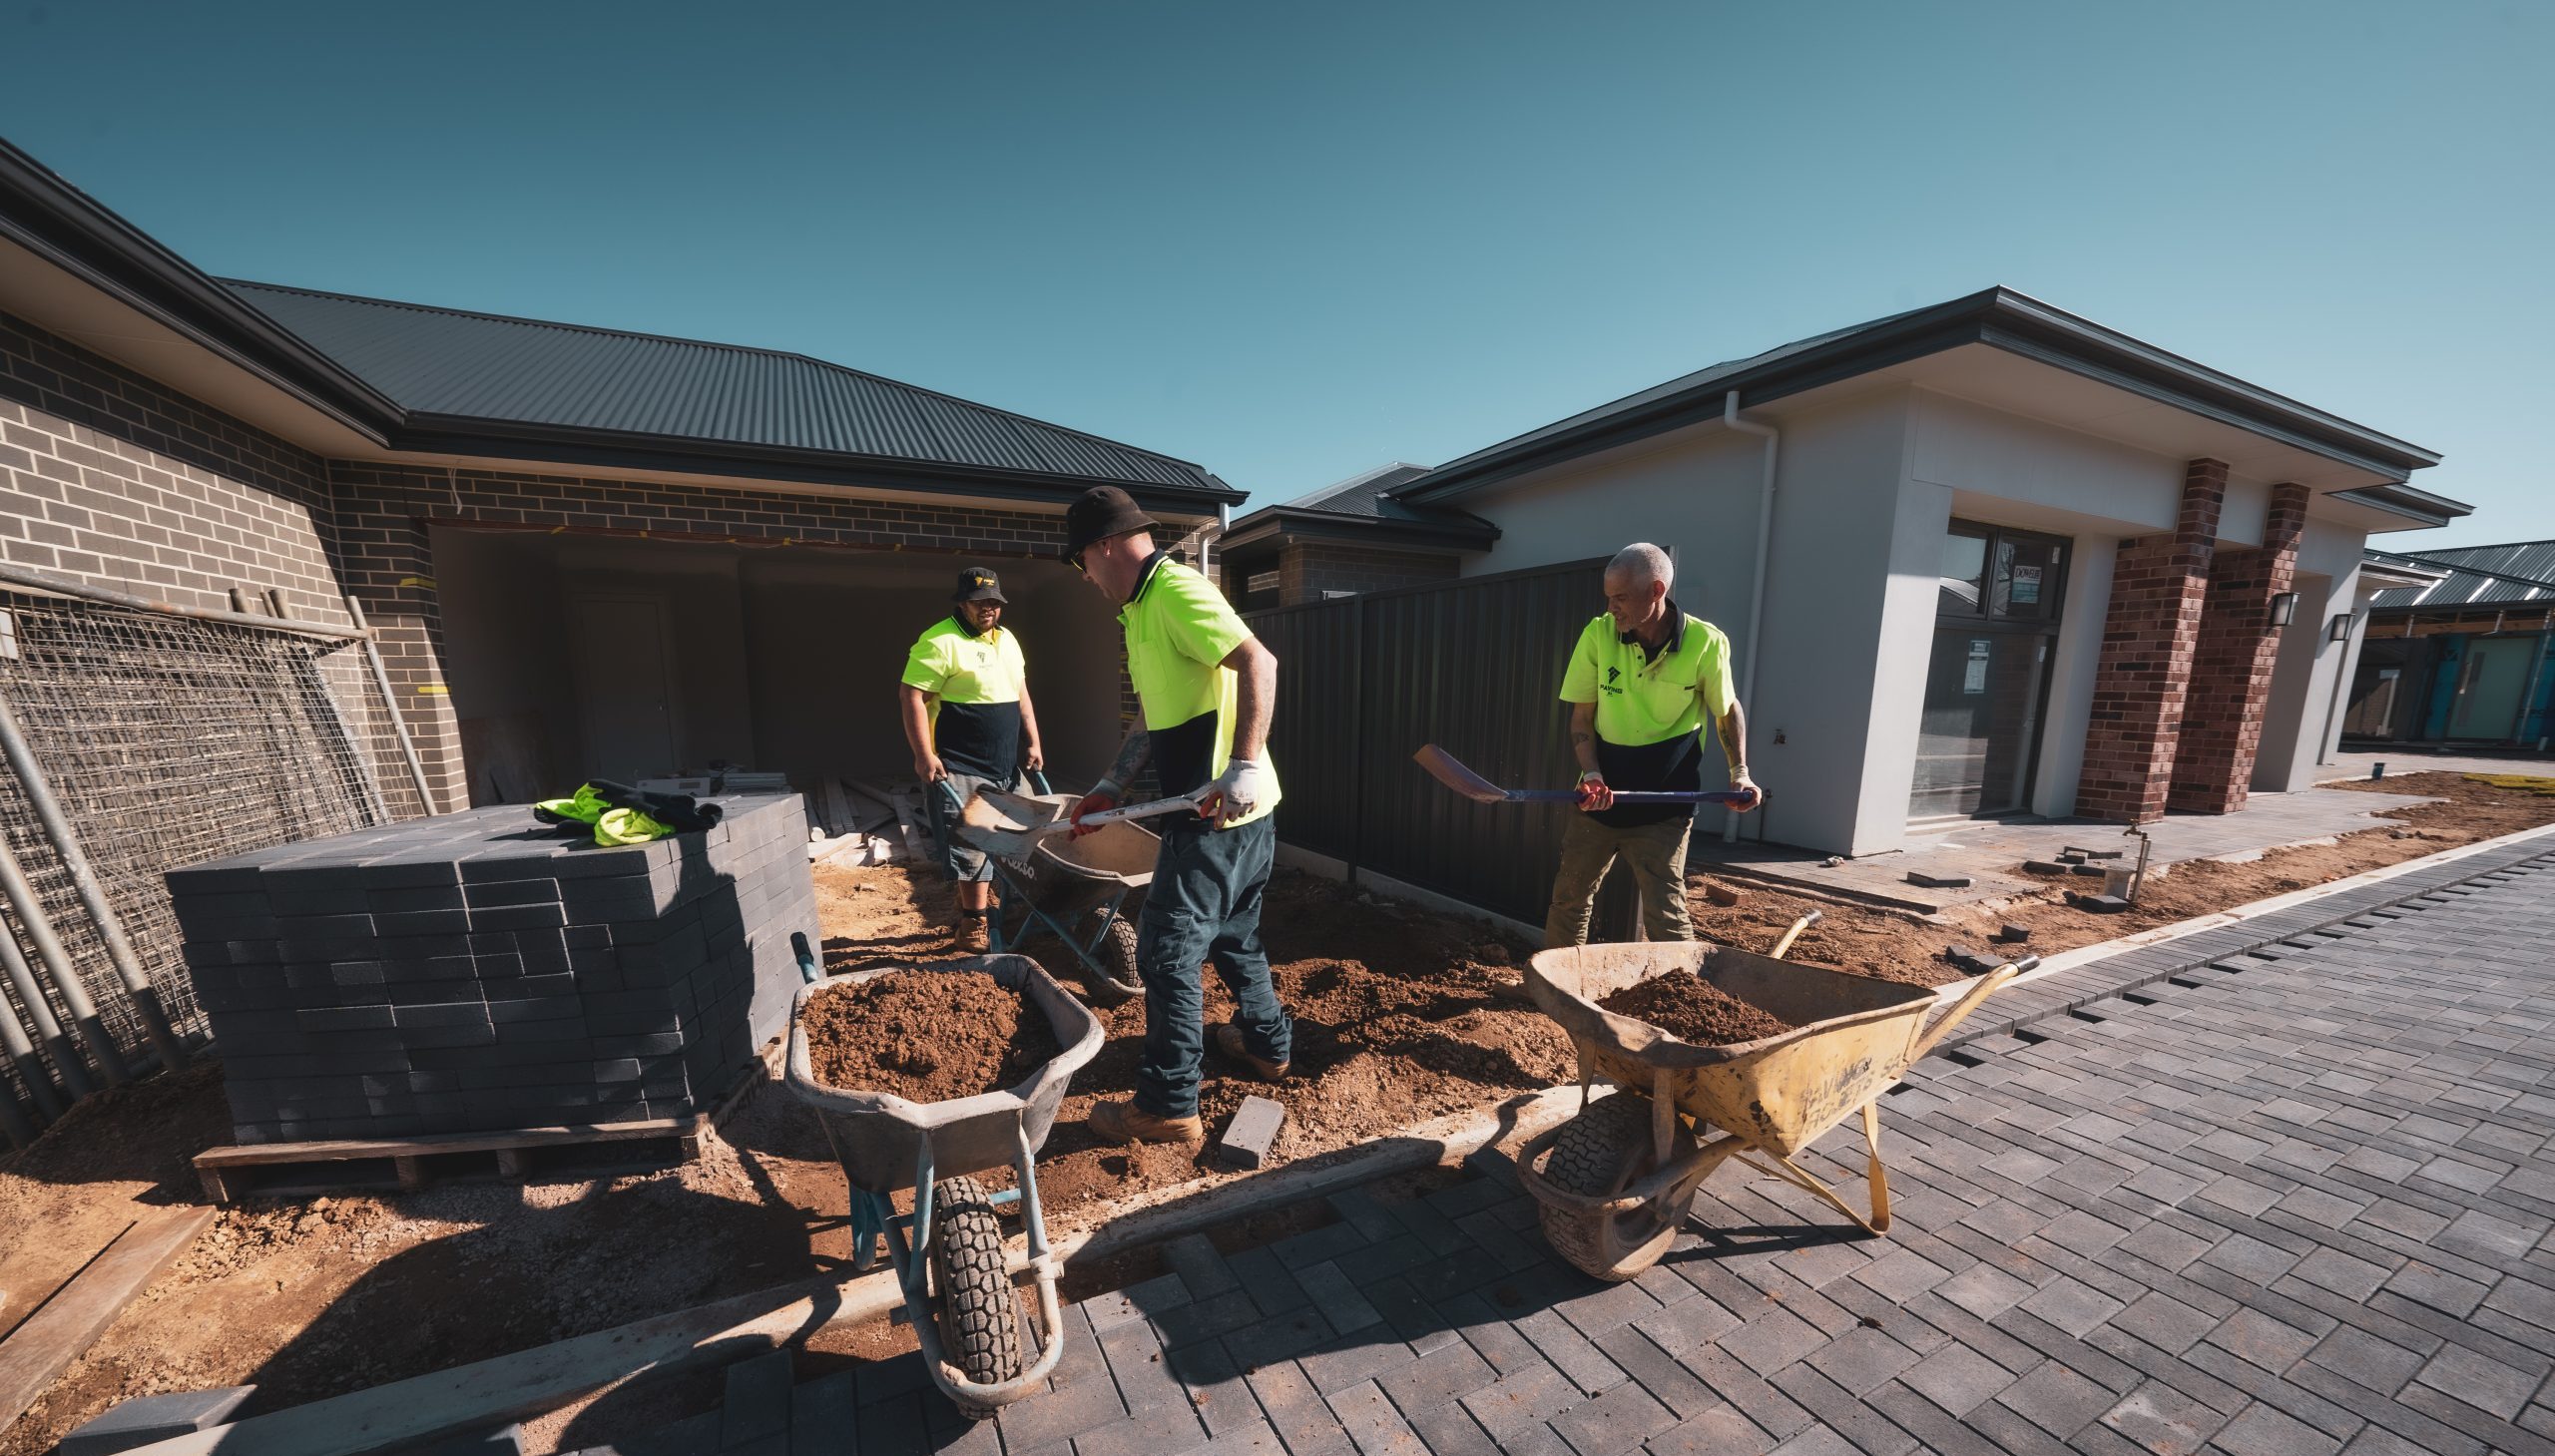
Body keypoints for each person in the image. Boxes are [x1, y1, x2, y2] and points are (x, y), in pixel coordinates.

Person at [1061, 485, 1292, 1145]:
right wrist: (1111, 783)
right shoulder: (1138, 611)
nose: (1084, 576)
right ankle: (1265, 1044)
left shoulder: (1175, 591)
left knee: (1165, 953)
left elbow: (1259, 661)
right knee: (1236, 938)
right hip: (1240, 812)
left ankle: (1166, 1102)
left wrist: (1242, 762)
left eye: (1082, 560)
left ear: (1105, 546)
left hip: (1217, 812)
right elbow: (1155, 715)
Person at [1546, 543, 1762, 947]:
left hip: (1666, 803)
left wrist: (1740, 774)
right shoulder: (1598, 635)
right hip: (1599, 798)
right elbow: (1581, 718)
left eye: (1621, 597)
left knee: (1666, 911)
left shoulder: (1706, 643)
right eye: (1608, 597)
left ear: (1657, 590)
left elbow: (1726, 709)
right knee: (1569, 899)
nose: (1612, 607)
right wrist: (1591, 773)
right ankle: (1557, 990)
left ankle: (1682, 997)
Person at [899, 566, 1043, 952]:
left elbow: (1020, 692)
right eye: (980, 602)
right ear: (962, 602)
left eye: (995, 602)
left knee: (1026, 832)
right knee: (971, 844)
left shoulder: (1008, 639)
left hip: (1005, 762)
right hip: (958, 763)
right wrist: (924, 754)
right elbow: (912, 696)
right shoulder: (938, 640)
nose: (988, 609)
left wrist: (1033, 742)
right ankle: (973, 923)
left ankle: (1007, 905)